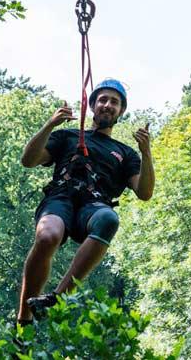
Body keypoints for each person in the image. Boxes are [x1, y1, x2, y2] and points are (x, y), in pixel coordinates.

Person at [15, 79, 155, 326]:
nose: (107, 105)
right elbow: (28, 160)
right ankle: (24, 317)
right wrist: (50, 124)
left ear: (121, 111)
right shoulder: (67, 136)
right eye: (102, 100)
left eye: (114, 102)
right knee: (48, 236)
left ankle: (57, 298)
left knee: (109, 219)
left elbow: (144, 193)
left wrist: (146, 153)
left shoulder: (125, 153)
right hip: (61, 198)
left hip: (93, 206)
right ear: (92, 106)